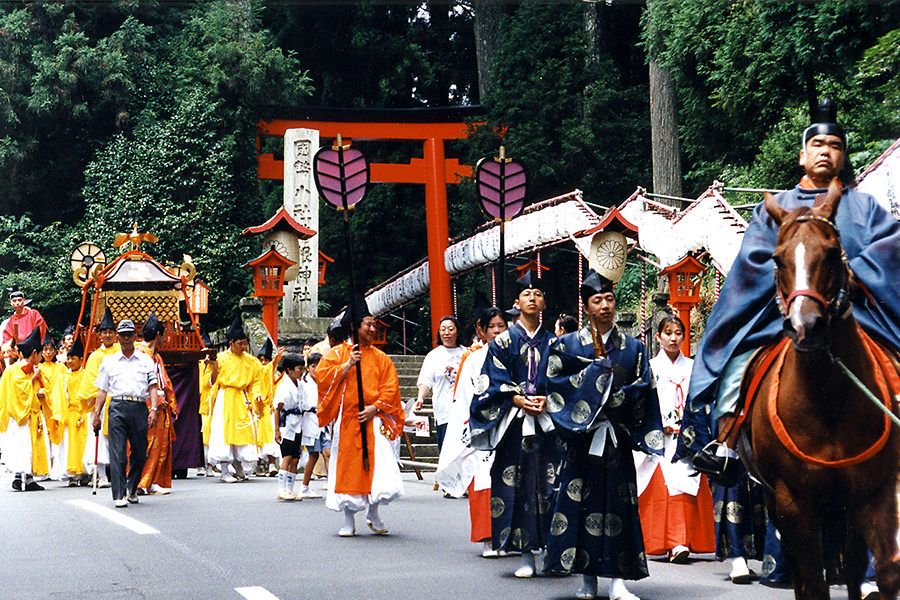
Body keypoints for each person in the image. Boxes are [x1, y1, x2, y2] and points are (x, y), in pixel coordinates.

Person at [543, 269, 664, 600]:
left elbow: (644, 387)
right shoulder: (566, 345)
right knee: (581, 507)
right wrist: (593, 379)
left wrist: (616, 398)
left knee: (618, 507)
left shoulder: (634, 347)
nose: (605, 306)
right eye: (597, 300)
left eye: (609, 299)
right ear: (586, 307)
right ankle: (587, 579)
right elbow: (555, 386)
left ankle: (618, 582)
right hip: (582, 439)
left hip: (616, 439)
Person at [469, 271, 562, 578]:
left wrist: (548, 398)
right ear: (516, 303)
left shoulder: (555, 343)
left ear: (544, 303)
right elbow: (491, 381)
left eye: (538, 294)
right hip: (515, 423)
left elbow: (565, 381)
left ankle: (550, 552)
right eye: (526, 294)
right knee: (517, 486)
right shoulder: (503, 342)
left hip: (548, 423)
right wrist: (516, 398)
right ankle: (524, 555)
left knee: (550, 484)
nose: (532, 298)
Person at [316, 299, 405, 537]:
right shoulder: (337, 354)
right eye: (368, 325)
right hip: (348, 420)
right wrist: (347, 365)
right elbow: (322, 378)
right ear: (355, 327)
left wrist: (376, 407)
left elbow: (390, 387)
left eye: (374, 325)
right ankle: (349, 519)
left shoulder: (381, 357)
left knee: (379, 466)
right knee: (348, 469)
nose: (373, 329)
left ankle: (373, 512)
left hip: (373, 420)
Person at [633, 316, 715, 562]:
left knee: (685, 484)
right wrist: (658, 425)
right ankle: (672, 542)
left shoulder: (693, 367)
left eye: (678, 333)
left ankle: (680, 542)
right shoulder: (650, 367)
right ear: (658, 337)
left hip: (686, 437)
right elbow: (642, 404)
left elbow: (702, 402)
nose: (673, 338)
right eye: (668, 333)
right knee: (662, 487)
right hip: (659, 437)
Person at [436, 305, 508, 557]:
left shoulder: (515, 354)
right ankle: (487, 538)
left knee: (510, 483)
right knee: (483, 483)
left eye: (501, 326)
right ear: (482, 330)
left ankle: (507, 538)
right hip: (482, 427)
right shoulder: (474, 360)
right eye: (492, 327)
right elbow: (464, 398)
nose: (497, 331)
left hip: (510, 426)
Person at [92, 319, 159, 507]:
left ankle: (132, 487)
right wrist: (97, 414)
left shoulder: (146, 360)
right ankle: (119, 494)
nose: (126, 338)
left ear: (135, 336)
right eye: (123, 335)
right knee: (118, 453)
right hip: (117, 407)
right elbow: (102, 390)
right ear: (118, 338)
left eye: (130, 334)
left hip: (139, 407)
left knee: (140, 452)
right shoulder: (109, 361)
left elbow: (153, 386)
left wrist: (153, 409)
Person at [207, 316, 264, 483]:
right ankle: (224, 471)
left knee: (242, 432)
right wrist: (214, 366)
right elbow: (211, 381)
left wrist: (257, 395)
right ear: (231, 343)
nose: (243, 347)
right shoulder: (220, 358)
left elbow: (256, 381)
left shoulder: (251, 361)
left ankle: (239, 466)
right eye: (240, 343)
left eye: (245, 343)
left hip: (241, 398)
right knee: (224, 433)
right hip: (225, 398)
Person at [0, 326, 52, 491]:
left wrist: (43, 392)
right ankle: (21, 477)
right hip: (21, 415)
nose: (41, 357)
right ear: (34, 353)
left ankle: (27, 478)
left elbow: (45, 387)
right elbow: (19, 391)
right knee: (23, 445)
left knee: (30, 446)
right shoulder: (15, 370)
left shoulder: (34, 369)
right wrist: (33, 379)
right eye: (40, 353)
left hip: (33, 413)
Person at [77, 308, 120, 488]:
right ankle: (101, 475)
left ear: (116, 334)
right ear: (99, 335)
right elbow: (91, 381)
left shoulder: (121, 351)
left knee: (118, 439)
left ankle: (120, 475)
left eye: (110, 331)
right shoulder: (95, 356)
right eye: (104, 332)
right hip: (102, 403)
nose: (108, 335)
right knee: (100, 439)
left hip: (119, 401)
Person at [137, 312, 178, 495]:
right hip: (145, 404)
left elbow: (165, 382)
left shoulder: (157, 357)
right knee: (146, 444)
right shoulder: (140, 354)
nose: (164, 339)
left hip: (160, 405)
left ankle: (153, 481)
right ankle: (140, 482)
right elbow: (140, 382)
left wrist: (170, 402)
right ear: (158, 335)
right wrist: (157, 401)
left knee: (160, 446)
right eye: (164, 335)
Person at [414, 316, 465, 452]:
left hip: (465, 412)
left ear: (458, 331)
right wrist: (420, 398)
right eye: (443, 329)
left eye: (450, 329)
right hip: (444, 411)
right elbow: (426, 380)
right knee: (446, 452)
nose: (446, 333)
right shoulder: (433, 356)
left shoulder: (467, 353)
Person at [48, 336, 87, 485]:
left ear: (81, 359)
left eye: (73, 358)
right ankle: (72, 474)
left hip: (83, 414)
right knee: (69, 445)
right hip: (68, 415)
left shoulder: (86, 376)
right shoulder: (63, 378)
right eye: (68, 358)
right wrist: (60, 415)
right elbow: (58, 397)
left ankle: (84, 472)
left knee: (84, 444)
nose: (70, 361)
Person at [272, 352, 307, 500]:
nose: (302, 371)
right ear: (290, 370)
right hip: (287, 424)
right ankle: (281, 489)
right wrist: (277, 430)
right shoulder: (284, 386)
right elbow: (277, 409)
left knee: (295, 458)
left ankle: (290, 489)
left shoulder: (300, 385)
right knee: (287, 457)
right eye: (299, 368)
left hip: (298, 423)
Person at [297, 351, 329, 499]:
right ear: (308, 367)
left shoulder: (325, 382)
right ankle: (304, 486)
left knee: (328, 452)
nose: (316, 369)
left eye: (319, 366)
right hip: (310, 420)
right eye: (313, 366)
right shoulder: (303, 383)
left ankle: (332, 484)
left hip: (323, 421)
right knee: (314, 454)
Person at [253, 338, 282, 477]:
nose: (263, 363)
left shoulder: (276, 377)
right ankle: (258, 465)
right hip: (256, 408)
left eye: (266, 360)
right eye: (261, 360)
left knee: (270, 438)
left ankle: (271, 464)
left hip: (269, 409)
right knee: (256, 438)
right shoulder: (255, 374)